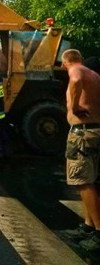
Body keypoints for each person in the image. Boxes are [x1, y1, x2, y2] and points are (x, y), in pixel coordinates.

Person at [61, 49, 100, 250]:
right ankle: (88, 226)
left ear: (65, 62)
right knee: (89, 180)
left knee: (83, 181)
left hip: (82, 134)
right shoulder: (95, 75)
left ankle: (99, 234)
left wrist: (74, 108)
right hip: (94, 131)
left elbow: (75, 79)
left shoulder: (76, 70)